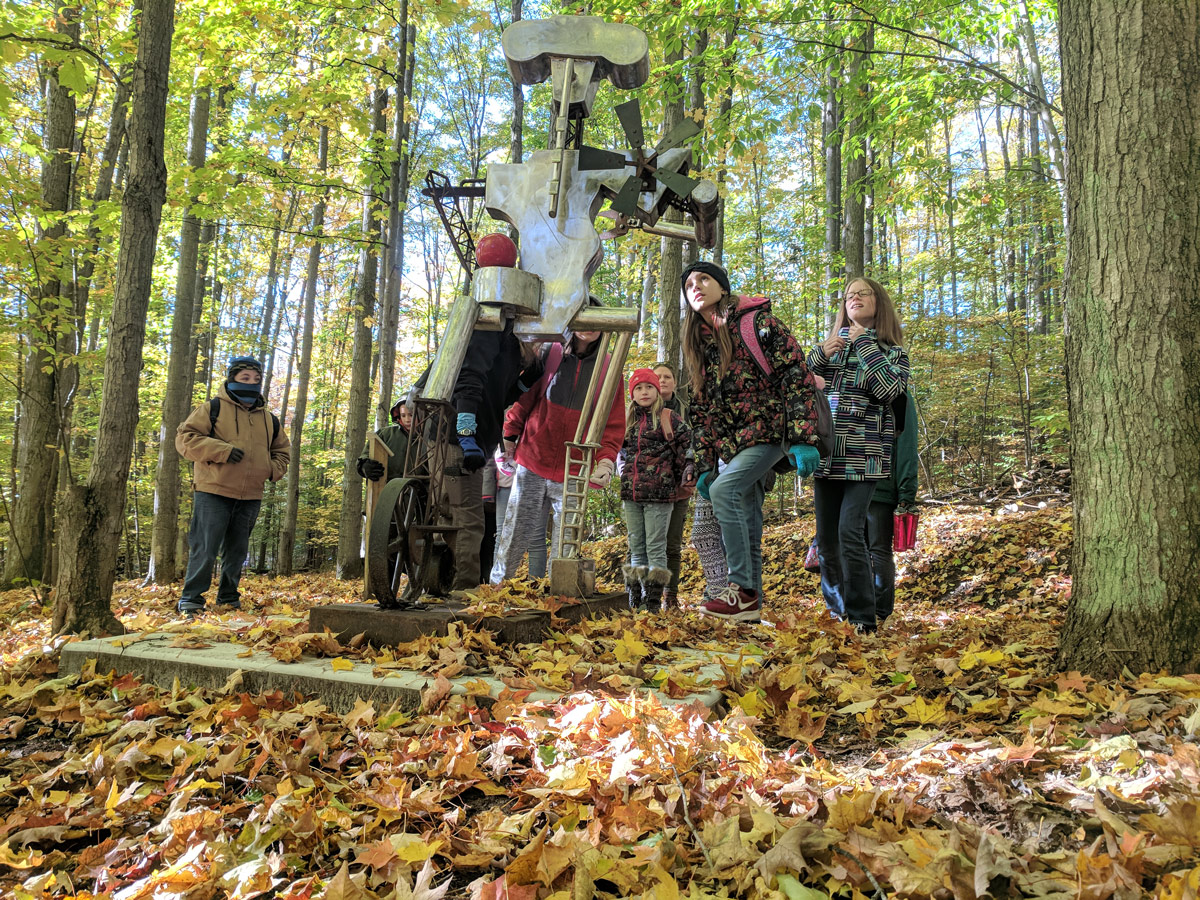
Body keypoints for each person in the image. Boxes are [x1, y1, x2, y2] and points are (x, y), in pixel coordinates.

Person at [682, 261, 823, 622]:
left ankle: (740, 590)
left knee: (725, 492)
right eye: (689, 285)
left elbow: (797, 375)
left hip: (772, 432)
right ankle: (750, 612)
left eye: (704, 279)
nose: (696, 287)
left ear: (722, 286)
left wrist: (803, 437)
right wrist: (705, 465)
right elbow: (704, 412)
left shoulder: (758, 324)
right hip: (734, 446)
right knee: (748, 520)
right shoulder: (700, 345)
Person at [806, 276, 910, 633]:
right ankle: (838, 615)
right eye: (850, 295)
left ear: (878, 302)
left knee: (851, 533)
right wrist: (820, 354)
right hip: (827, 455)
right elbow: (798, 385)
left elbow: (889, 389)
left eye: (863, 293)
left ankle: (865, 619)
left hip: (866, 457)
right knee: (827, 540)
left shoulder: (892, 352)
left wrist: (864, 343)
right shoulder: (830, 351)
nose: (855, 298)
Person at [411, 323, 542, 593]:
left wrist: (522, 383)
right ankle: (462, 591)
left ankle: (439, 587)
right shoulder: (491, 330)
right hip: (455, 436)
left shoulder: (512, 346)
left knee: (449, 510)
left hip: (463, 436)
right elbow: (468, 380)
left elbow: (496, 397)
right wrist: (466, 433)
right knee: (467, 515)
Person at [492, 327, 625, 583]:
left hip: (575, 466)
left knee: (567, 543)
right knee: (514, 534)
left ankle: (560, 599)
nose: (589, 327)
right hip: (533, 457)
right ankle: (496, 592)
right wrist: (509, 436)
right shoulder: (550, 353)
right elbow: (525, 398)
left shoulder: (610, 367)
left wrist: (606, 460)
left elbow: (613, 420)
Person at [175, 356, 290, 615]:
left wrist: (271, 469)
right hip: (213, 490)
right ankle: (191, 600)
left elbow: (283, 451)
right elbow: (185, 439)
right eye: (244, 378)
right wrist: (222, 450)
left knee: (237, 552)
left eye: (256, 379)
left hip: (251, 494)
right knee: (205, 548)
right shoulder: (212, 408)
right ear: (232, 378)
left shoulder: (269, 419)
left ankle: (228, 598)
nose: (251, 383)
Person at [618, 368, 692, 612]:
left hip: (660, 494)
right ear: (633, 394)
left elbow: (689, 446)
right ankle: (635, 598)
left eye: (648, 387)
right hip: (632, 494)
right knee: (636, 546)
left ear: (657, 390)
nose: (644, 392)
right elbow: (615, 450)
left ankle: (653, 602)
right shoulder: (627, 421)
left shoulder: (669, 417)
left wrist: (688, 471)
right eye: (638, 388)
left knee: (656, 547)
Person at [866, 387, 918, 628]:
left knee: (878, 549)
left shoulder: (900, 398)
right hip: (855, 484)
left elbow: (907, 446)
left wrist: (907, 492)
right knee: (857, 549)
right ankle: (862, 609)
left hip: (883, 488)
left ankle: (881, 612)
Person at [652, 362, 696, 609]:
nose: (662, 380)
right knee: (646, 542)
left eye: (667, 376)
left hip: (679, 485)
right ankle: (642, 595)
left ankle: (671, 596)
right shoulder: (641, 409)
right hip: (649, 486)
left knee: (672, 544)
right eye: (658, 376)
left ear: (674, 382)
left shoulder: (686, 410)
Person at [356, 397, 412, 483]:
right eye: (403, 415)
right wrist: (365, 466)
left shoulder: (429, 437)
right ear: (398, 415)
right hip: (384, 491)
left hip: (416, 492)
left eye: (411, 415)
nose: (407, 420)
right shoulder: (385, 434)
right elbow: (366, 455)